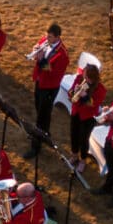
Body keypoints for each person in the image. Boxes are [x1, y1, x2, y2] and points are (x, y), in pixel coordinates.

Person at [26, 23, 69, 158]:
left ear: (57, 37)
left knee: (41, 116)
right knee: (40, 109)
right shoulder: (46, 41)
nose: (46, 38)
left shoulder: (62, 54)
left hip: (49, 86)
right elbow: (39, 45)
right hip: (40, 81)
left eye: (50, 37)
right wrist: (36, 49)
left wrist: (42, 58)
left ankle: (35, 146)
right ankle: (45, 132)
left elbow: (53, 72)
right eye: (46, 35)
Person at [67, 63, 105, 164]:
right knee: (74, 134)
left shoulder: (100, 89)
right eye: (84, 75)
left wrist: (85, 96)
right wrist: (73, 91)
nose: (84, 78)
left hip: (88, 117)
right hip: (76, 112)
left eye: (86, 77)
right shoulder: (80, 78)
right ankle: (74, 155)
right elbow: (70, 92)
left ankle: (83, 160)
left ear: (92, 78)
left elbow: (94, 104)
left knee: (84, 139)